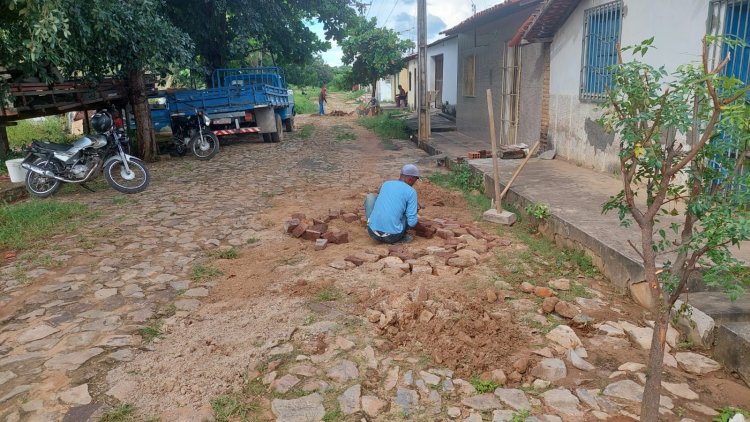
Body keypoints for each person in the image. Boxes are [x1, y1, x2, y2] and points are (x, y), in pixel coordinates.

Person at [364, 164, 420, 244]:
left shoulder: (386, 184)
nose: (415, 182)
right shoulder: (411, 191)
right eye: (415, 180)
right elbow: (412, 222)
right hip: (392, 237)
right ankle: (401, 238)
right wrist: (424, 230)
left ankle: (372, 223)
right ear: (411, 179)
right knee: (410, 212)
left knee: (371, 197)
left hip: (372, 233)